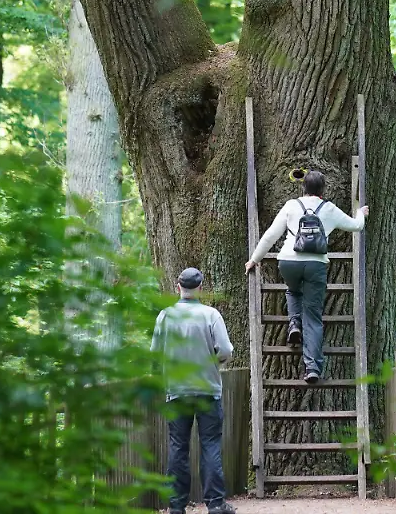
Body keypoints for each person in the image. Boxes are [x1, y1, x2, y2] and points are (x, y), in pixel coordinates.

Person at [244, 170, 367, 384]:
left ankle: (294, 324)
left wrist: (254, 259)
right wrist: (360, 213)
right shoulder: (329, 209)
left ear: (303, 187)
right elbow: (356, 226)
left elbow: (271, 235)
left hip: (288, 262)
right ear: (323, 189)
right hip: (315, 264)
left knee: (292, 290)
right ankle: (312, 368)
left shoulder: (291, 206)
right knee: (313, 316)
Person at [150, 268, 237, 514]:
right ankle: (216, 504)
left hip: (177, 391)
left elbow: (155, 353)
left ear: (178, 287)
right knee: (210, 444)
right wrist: (214, 363)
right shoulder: (211, 314)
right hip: (208, 390)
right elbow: (226, 351)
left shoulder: (166, 316)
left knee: (178, 446)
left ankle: (176, 507)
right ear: (200, 288)